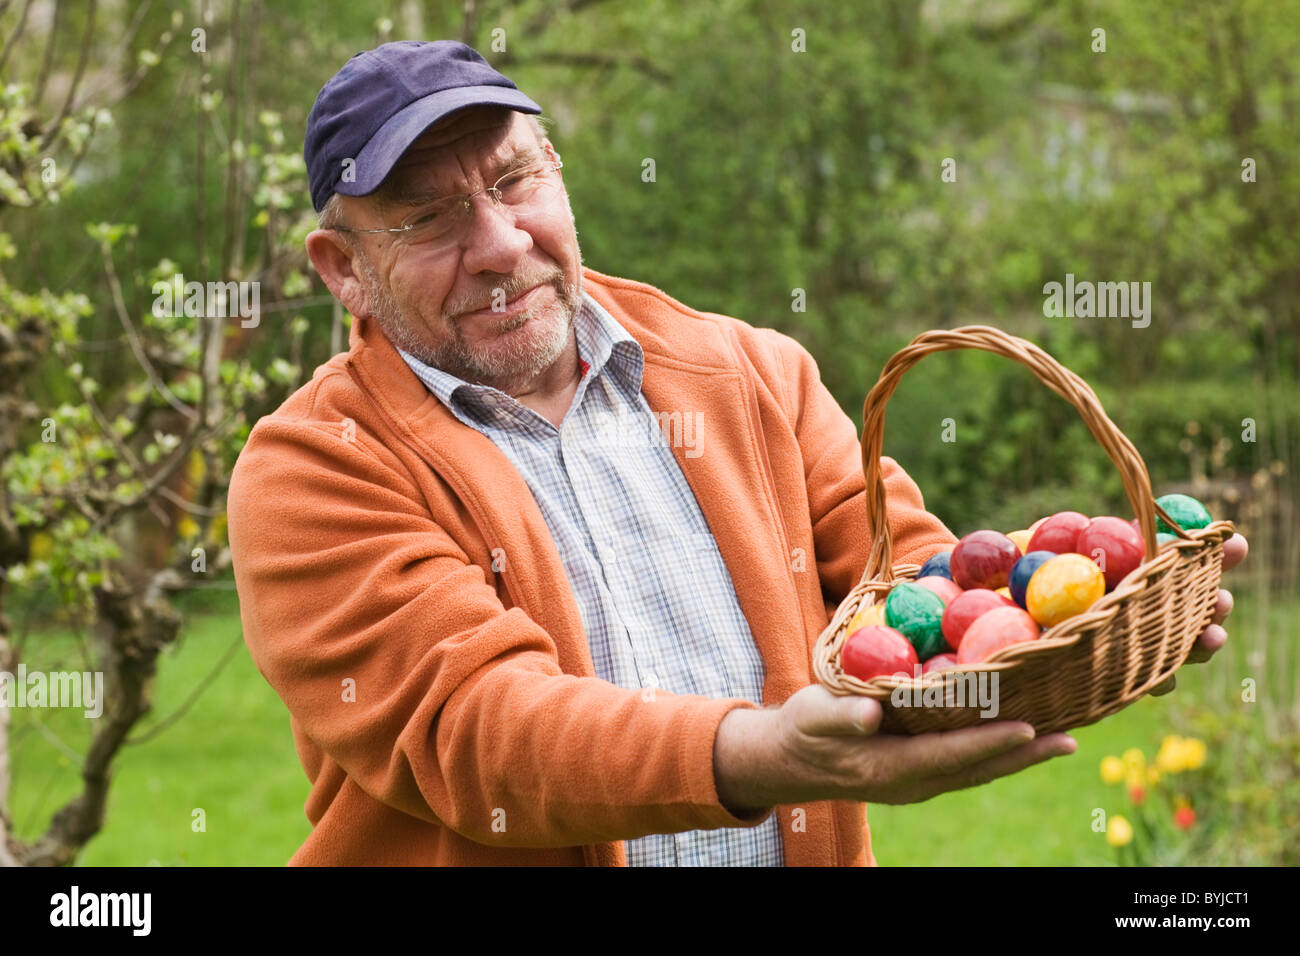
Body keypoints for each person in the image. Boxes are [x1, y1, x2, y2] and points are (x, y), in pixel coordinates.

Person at [226, 40, 1246, 866]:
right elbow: (483, 734)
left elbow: (909, 587)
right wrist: (763, 753)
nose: (498, 244)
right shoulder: (313, 472)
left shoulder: (751, 372)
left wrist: (1086, 599)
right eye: (430, 216)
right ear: (345, 270)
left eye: (513, 179)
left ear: (560, 178)